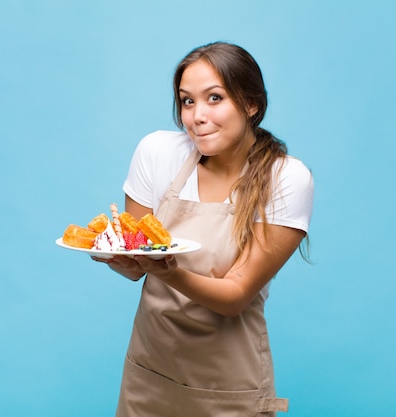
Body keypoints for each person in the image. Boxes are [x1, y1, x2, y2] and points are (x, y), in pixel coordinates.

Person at [94, 41, 314, 417]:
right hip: (151, 372)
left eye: (214, 98)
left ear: (250, 104)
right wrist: (114, 251)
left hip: (228, 384)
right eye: (187, 101)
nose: (196, 116)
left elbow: (235, 295)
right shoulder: (158, 153)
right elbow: (134, 265)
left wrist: (168, 270)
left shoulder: (286, 178)